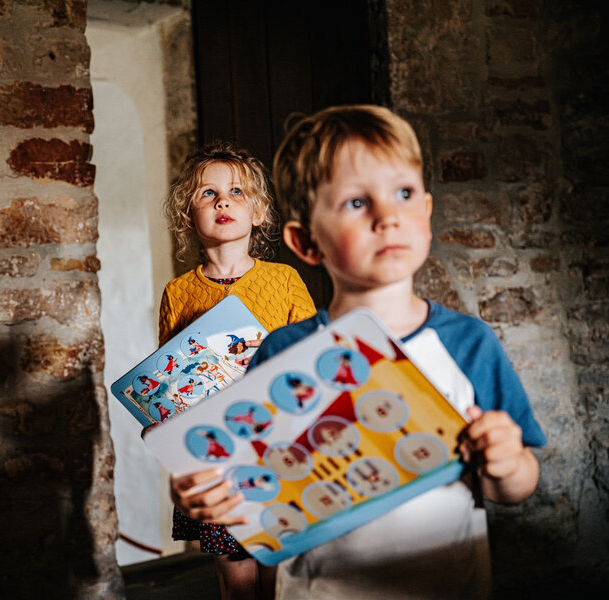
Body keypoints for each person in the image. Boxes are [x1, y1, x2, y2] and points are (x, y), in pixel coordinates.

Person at [170, 106, 546, 599]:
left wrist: (508, 463)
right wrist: (208, 496)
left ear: (426, 212)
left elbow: (515, 489)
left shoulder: (469, 343)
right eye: (354, 203)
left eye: (404, 193)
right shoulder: (283, 351)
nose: (387, 216)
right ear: (306, 242)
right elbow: (251, 493)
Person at [158, 141, 316, 600]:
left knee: (278, 573)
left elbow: (306, 359)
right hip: (216, 452)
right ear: (189, 216)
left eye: (236, 192)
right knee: (237, 577)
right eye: (207, 194)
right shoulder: (178, 292)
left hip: (277, 441)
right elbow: (171, 379)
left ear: (260, 213)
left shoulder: (284, 281)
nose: (222, 201)